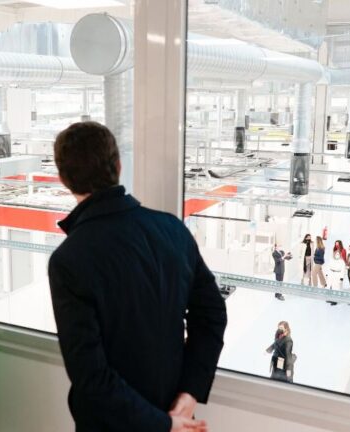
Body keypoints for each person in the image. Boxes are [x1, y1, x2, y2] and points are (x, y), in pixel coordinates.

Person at [48, 122, 227, 432]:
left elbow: (91, 376)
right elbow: (211, 315)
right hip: (175, 413)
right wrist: (189, 393)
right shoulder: (172, 230)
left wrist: (162, 424)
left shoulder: (69, 260)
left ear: (63, 179)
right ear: (118, 166)